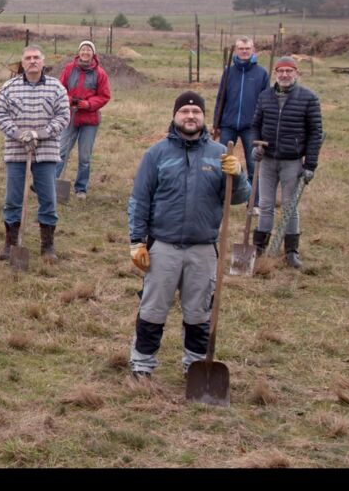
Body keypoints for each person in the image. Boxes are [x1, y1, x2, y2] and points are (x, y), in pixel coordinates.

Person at [127, 91, 251, 380]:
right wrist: (136, 241)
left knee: (198, 314)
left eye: (196, 112)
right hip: (163, 246)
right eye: (185, 112)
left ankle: (195, 367)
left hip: (203, 248)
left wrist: (239, 173)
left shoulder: (220, 153)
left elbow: (238, 198)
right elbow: (139, 199)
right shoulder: (156, 154)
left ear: (204, 118)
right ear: (175, 116)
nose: (191, 117)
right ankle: (142, 365)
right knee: (153, 310)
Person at [0, 45, 70, 264]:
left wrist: (41, 133)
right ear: (22, 62)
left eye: (36, 57)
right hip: (16, 152)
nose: (33, 61)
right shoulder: (9, 87)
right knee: (13, 199)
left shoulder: (56, 87)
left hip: (46, 152)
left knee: (48, 200)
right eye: (28, 58)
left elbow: (64, 116)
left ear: (43, 61)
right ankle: (11, 243)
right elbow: (0, 114)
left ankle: (47, 245)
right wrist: (19, 134)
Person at [251, 56, 323, 269]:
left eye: (288, 71)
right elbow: (255, 125)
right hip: (268, 160)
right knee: (265, 205)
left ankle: (291, 252)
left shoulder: (309, 98)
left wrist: (310, 165)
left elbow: (315, 133)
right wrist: (256, 146)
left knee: (291, 207)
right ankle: (259, 248)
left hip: (292, 162)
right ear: (275, 73)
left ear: (296, 73)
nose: (284, 75)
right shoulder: (265, 96)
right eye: (280, 71)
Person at [212, 36, 268, 192]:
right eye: (241, 49)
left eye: (247, 48)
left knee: (253, 164)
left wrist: (263, 126)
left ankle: (253, 202)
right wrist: (216, 123)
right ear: (236, 50)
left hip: (251, 127)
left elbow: (266, 103)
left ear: (253, 50)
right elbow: (220, 99)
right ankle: (220, 195)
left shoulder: (261, 73)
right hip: (228, 125)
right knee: (222, 161)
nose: (244, 51)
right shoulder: (228, 72)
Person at [56, 40, 111, 199]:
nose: (85, 52)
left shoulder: (100, 73)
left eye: (88, 50)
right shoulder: (69, 69)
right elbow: (60, 89)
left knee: (85, 156)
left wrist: (87, 104)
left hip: (90, 119)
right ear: (79, 52)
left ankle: (81, 188)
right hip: (70, 116)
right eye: (83, 49)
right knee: (61, 151)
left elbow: (104, 96)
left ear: (93, 53)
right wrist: (69, 100)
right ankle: (52, 183)